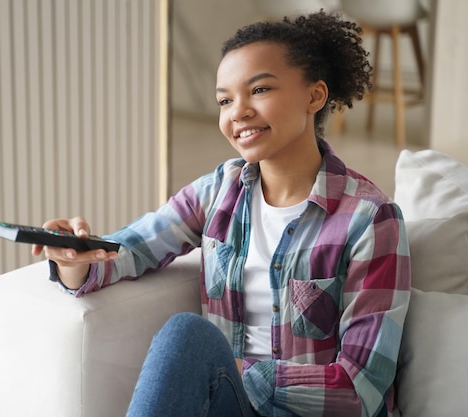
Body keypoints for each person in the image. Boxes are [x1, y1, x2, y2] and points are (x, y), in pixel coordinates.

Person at [32, 10, 411, 417]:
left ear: (314, 96)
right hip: (230, 404)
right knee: (187, 335)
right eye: (225, 100)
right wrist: (74, 258)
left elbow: (360, 389)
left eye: (260, 90)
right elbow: (131, 248)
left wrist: (232, 369)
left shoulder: (370, 218)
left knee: (189, 336)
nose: (238, 112)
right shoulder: (220, 191)